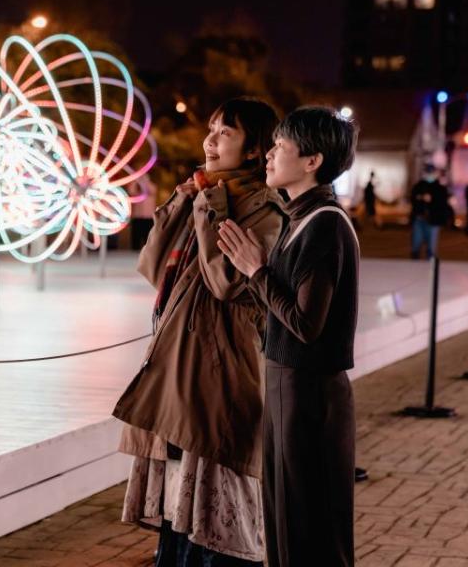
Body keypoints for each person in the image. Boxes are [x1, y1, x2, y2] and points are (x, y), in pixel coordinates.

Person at [112, 97, 287, 566]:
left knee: (217, 516)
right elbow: (152, 266)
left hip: (220, 375)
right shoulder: (205, 194)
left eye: (225, 133)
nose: (210, 140)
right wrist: (184, 200)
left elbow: (226, 282)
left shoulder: (262, 210)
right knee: (177, 511)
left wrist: (211, 207)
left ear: (254, 150)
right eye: (210, 129)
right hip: (178, 367)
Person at [218, 106, 359, 567]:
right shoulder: (297, 219)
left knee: (312, 528)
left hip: (310, 393)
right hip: (285, 386)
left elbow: (304, 324)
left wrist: (257, 271)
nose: (270, 155)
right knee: (285, 524)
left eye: (281, 146)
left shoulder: (325, 225)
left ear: (312, 160)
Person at [409, 164, 450, 259]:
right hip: (419, 219)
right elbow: (413, 199)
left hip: (433, 221)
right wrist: (420, 198)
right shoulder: (419, 186)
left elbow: (443, 204)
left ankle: (430, 270)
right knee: (415, 245)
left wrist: (432, 199)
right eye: (428, 172)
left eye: (431, 172)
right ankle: (414, 268)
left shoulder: (440, 188)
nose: (429, 175)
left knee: (431, 248)